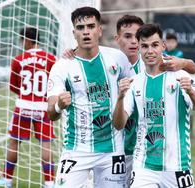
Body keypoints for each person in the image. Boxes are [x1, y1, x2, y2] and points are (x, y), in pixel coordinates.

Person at [47, 7, 134, 188]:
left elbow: (136, 87)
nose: (86, 31)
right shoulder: (62, 66)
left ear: (99, 30)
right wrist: (59, 106)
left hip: (112, 149)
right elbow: (51, 112)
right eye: (80, 28)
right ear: (74, 33)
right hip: (77, 149)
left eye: (91, 26)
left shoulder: (117, 58)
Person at [113, 24, 195, 188]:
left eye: (154, 45)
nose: (150, 51)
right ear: (140, 49)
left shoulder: (180, 75)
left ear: (163, 46)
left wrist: (191, 91)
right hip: (144, 166)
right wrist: (120, 98)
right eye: (144, 46)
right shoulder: (135, 82)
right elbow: (119, 124)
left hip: (178, 165)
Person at [0, 27, 56, 188]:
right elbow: (55, 85)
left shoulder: (18, 59)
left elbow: (13, 87)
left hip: (23, 107)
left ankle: (7, 180)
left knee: (14, 143)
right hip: (43, 108)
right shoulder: (51, 59)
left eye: (22, 40)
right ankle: (49, 183)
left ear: (26, 40)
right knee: (46, 145)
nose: (22, 43)